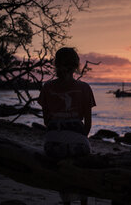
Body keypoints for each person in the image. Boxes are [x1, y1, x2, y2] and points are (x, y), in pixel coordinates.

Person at [38, 47, 96, 205]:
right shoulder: (84, 88)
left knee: (62, 163)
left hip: (52, 146)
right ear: (76, 66)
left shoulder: (47, 87)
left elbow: (47, 121)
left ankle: (66, 203)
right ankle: (83, 201)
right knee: (84, 160)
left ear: (56, 64)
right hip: (78, 144)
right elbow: (88, 126)